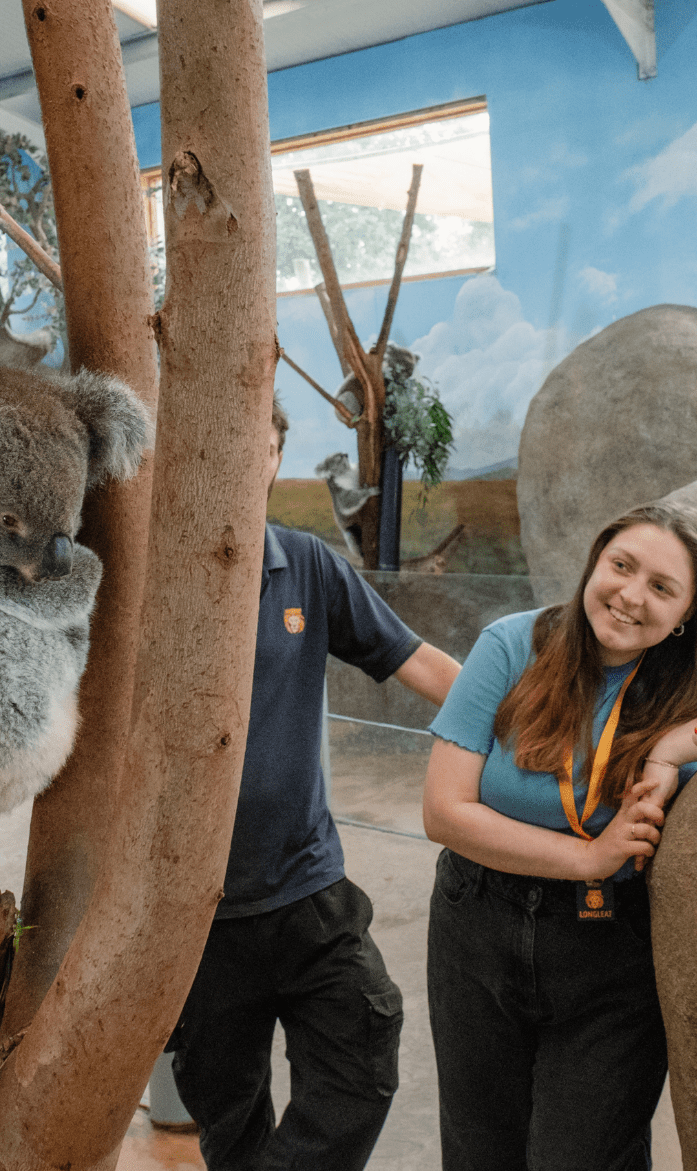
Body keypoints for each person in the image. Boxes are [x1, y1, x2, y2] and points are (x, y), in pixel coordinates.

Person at [422, 502, 697, 1171]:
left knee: (583, 1156)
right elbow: (444, 812)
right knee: (480, 1152)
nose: (630, 596)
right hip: (477, 922)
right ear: (596, 561)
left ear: (685, 615)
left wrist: (675, 744)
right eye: (622, 566)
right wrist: (590, 854)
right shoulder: (512, 644)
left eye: (661, 587)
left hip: (614, 944)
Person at [168, 394, 461, 1171]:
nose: (244, 461)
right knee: (228, 1113)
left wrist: (530, 718)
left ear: (275, 458)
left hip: (307, 886)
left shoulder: (305, 564)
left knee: (363, 1058)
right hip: (195, 911)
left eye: (260, 447)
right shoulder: (155, 575)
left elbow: (417, 662)